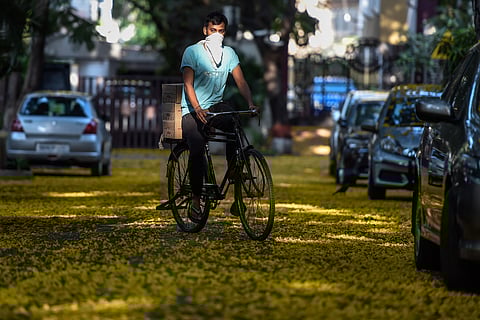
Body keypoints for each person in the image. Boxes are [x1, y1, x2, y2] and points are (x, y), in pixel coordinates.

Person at [180, 11, 257, 220]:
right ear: (205, 30)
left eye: (221, 31)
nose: (217, 34)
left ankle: (234, 171)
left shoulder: (229, 54)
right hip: (191, 110)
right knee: (196, 148)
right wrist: (197, 108)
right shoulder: (192, 52)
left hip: (215, 107)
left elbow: (240, 81)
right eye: (213, 30)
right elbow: (188, 83)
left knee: (233, 119)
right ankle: (196, 201)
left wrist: (250, 103)